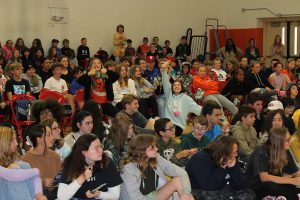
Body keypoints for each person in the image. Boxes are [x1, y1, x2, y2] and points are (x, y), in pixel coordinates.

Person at [120, 134, 194, 200]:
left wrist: (186, 194)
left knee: (178, 181)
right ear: (141, 151)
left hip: (153, 195)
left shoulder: (156, 158)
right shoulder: (129, 168)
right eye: (152, 147)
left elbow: (181, 172)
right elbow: (135, 197)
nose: (157, 149)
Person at [186, 135, 255, 200]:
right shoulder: (199, 160)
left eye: (236, 152)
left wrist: (233, 168)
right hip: (200, 191)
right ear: (222, 152)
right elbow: (209, 187)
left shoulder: (231, 158)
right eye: (233, 153)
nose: (235, 155)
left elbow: (240, 186)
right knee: (211, 196)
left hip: (221, 188)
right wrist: (222, 167)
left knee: (248, 193)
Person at [57, 134, 123, 200]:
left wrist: (99, 194)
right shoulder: (71, 165)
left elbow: (115, 196)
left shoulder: (107, 162)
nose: (101, 151)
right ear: (84, 152)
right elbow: (61, 197)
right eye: (96, 148)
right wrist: (83, 177)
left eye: (100, 146)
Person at [246, 127, 300, 199]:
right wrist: (292, 180)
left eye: (290, 138)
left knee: (290, 187)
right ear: (278, 142)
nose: (290, 141)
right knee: (283, 186)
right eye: (287, 140)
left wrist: (294, 180)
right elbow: (264, 178)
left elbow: (295, 171)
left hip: (273, 183)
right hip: (257, 186)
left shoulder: (284, 149)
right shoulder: (261, 151)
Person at [0, 126, 46, 200]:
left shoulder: (13, 157)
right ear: (4, 142)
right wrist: (36, 171)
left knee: (24, 166)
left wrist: (39, 195)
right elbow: (14, 176)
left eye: (16, 140)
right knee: (15, 170)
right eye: (13, 140)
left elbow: (36, 177)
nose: (17, 144)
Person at [160, 60, 202, 136]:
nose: (176, 86)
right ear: (172, 87)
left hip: (177, 127)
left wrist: (208, 111)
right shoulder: (169, 94)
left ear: (181, 87)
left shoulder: (186, 98)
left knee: (163, 130)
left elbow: (198, 109)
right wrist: (164, 70)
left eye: (179, 85)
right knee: (152, 122)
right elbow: (165, 81)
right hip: (166, 124)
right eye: (175, 85)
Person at [21, 124, 61, 200]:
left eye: (51, 134)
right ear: (38, 139)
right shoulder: (25, 160)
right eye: (48, 135)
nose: (52, 138)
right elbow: (24, 184)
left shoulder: (55, 156)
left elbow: (61, 175)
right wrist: (42, 183)